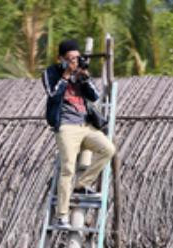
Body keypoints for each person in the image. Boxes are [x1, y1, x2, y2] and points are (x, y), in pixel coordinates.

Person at [42, 39, 115, 229]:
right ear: (61, 59)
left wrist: (85, 77)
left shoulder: (79, 74)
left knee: (108, 149)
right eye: (71, 59)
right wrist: (66, 75)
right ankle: (61, 215)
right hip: (66, 126)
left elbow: (95, 96)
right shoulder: (51, 73)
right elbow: (52, 94)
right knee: (67, 169)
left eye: (77, 58)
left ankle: (82, 184)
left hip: (85, 125)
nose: (75, 62)